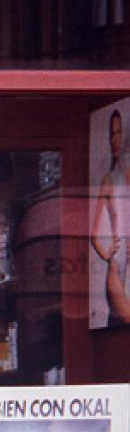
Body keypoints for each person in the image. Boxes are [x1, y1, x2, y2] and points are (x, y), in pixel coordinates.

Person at [91, 108, 130, 325]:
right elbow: (94, 234)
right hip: (115, 272)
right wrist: (107, 254)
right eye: (111, 134)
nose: (115, 140)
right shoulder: (109, 180)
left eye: (119, 133)